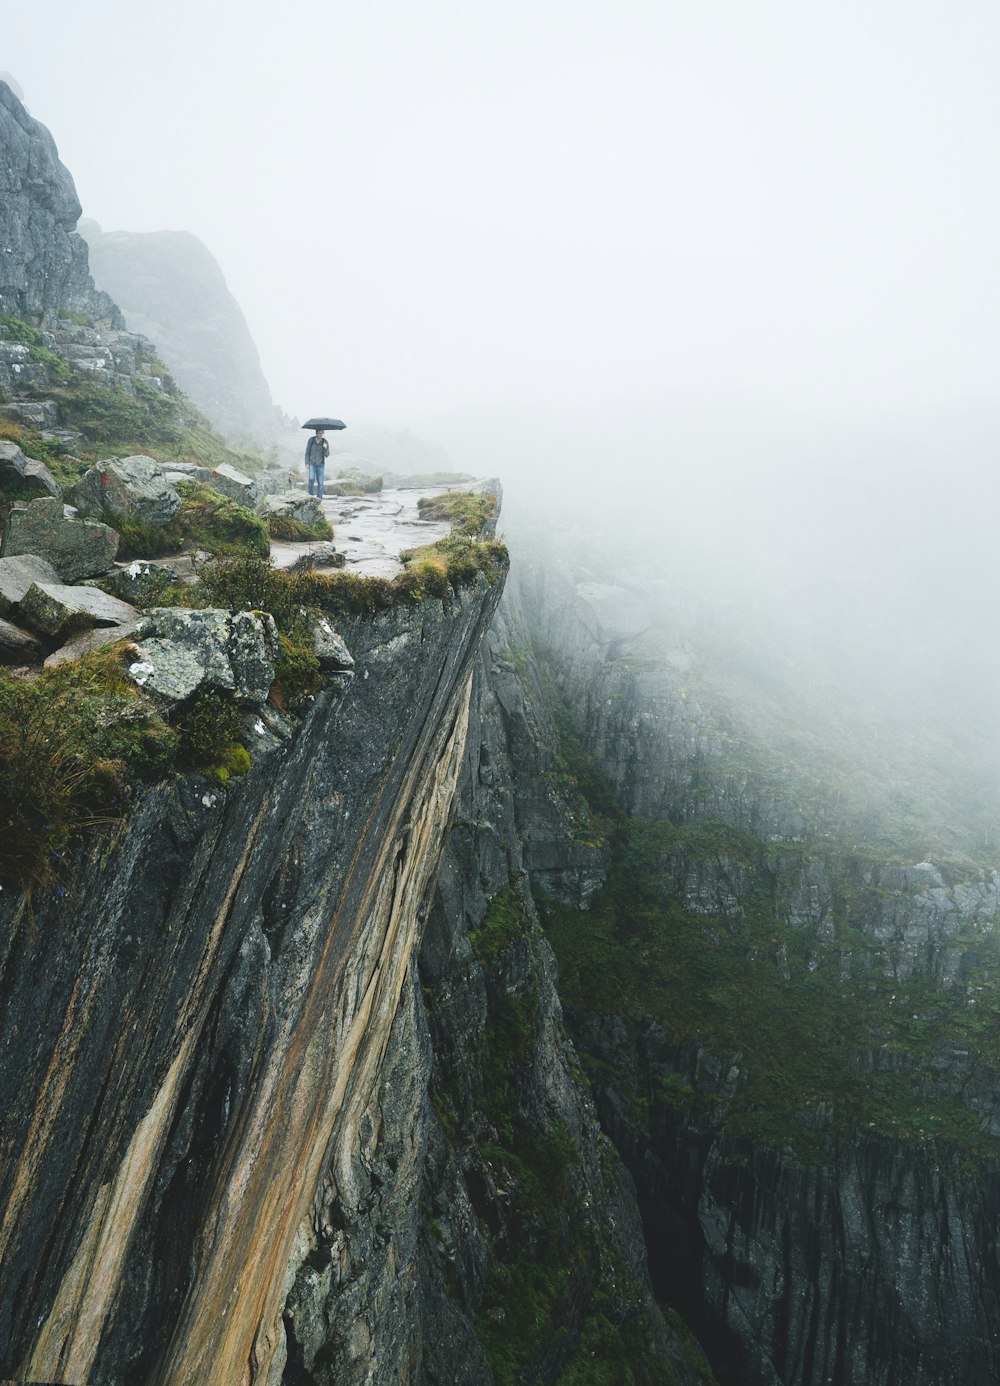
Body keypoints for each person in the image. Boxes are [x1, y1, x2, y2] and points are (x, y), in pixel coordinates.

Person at [305, 428, 330, 499]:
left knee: (321, 482)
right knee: (311, 479)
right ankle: (310, 496)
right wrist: (307, 462)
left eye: (322, 433)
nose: (321, 435)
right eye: (319, 433)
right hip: (312, 464)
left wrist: (325, 448)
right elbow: (307, 452)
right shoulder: (311, 440)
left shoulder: (325, 442)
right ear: (316, 433)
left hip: (321, 465)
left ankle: (319, 499)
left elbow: (327, 455)